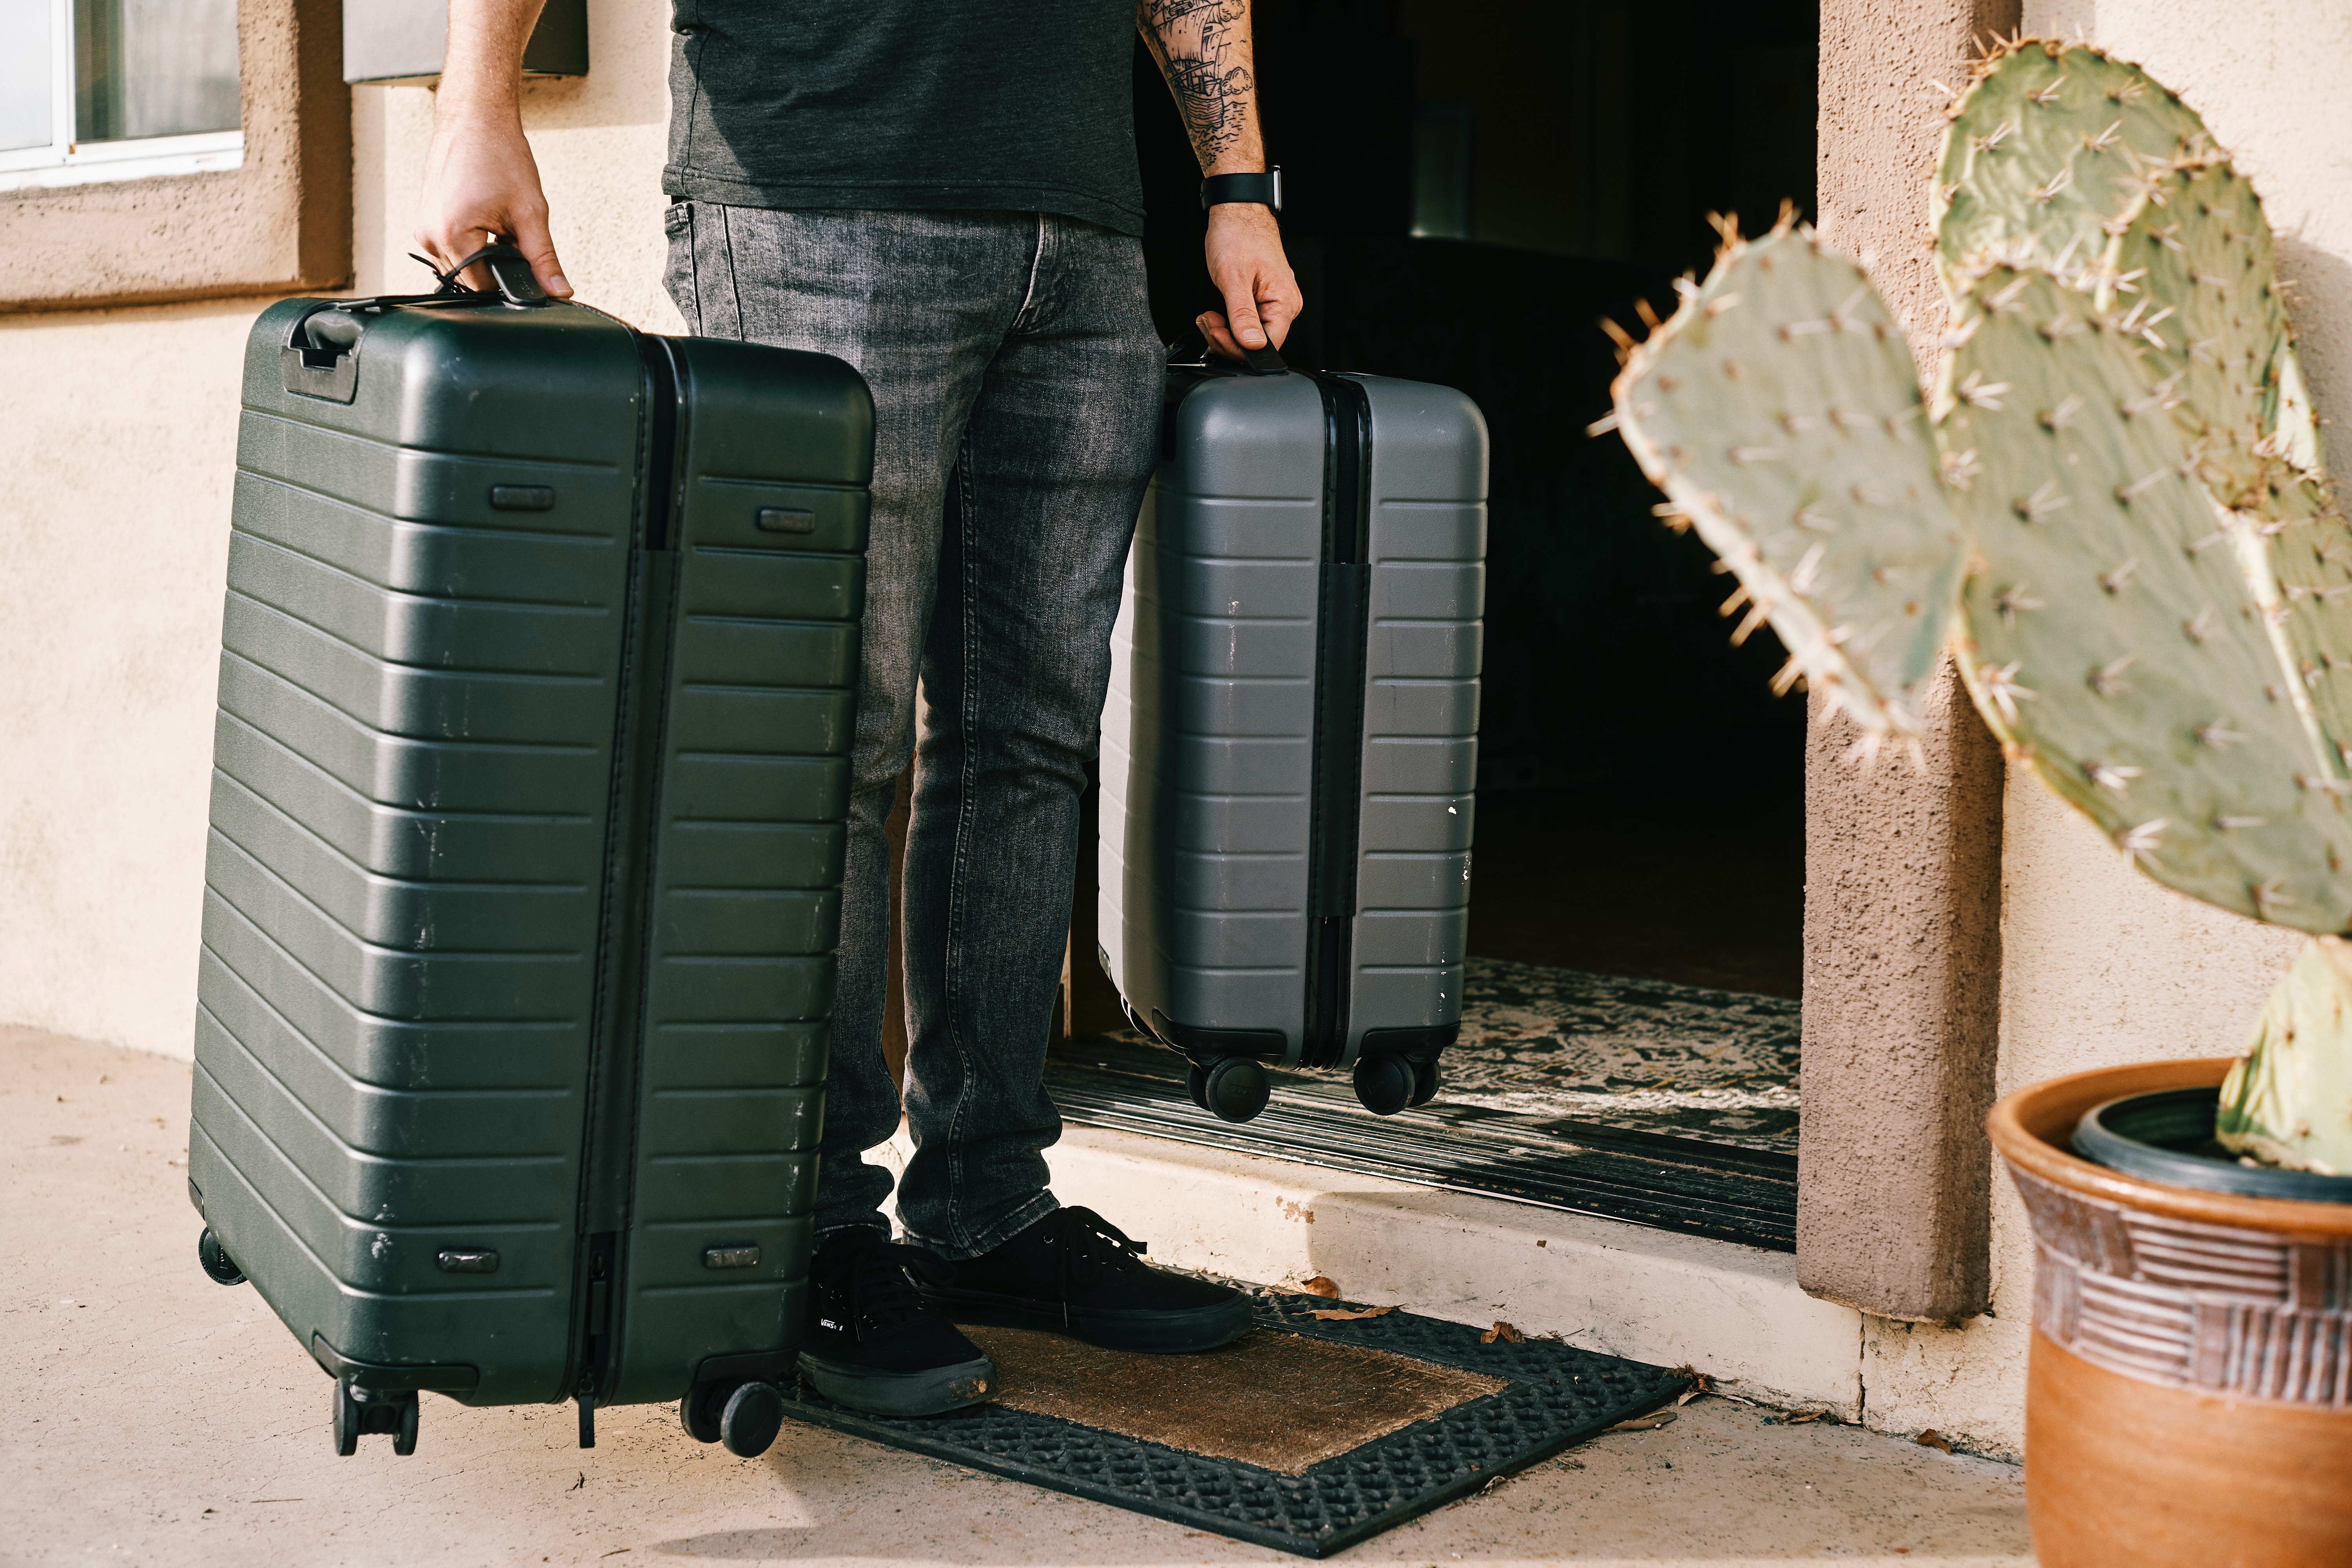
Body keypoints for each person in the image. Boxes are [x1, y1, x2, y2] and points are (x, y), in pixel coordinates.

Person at [417, 0, 1303, 1418]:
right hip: (815, 209)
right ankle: (802, 1230)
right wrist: (476, 103)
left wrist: (1237, 188)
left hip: (1081, 236)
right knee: (829, 749)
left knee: (1029, 746)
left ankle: (988, 1206)